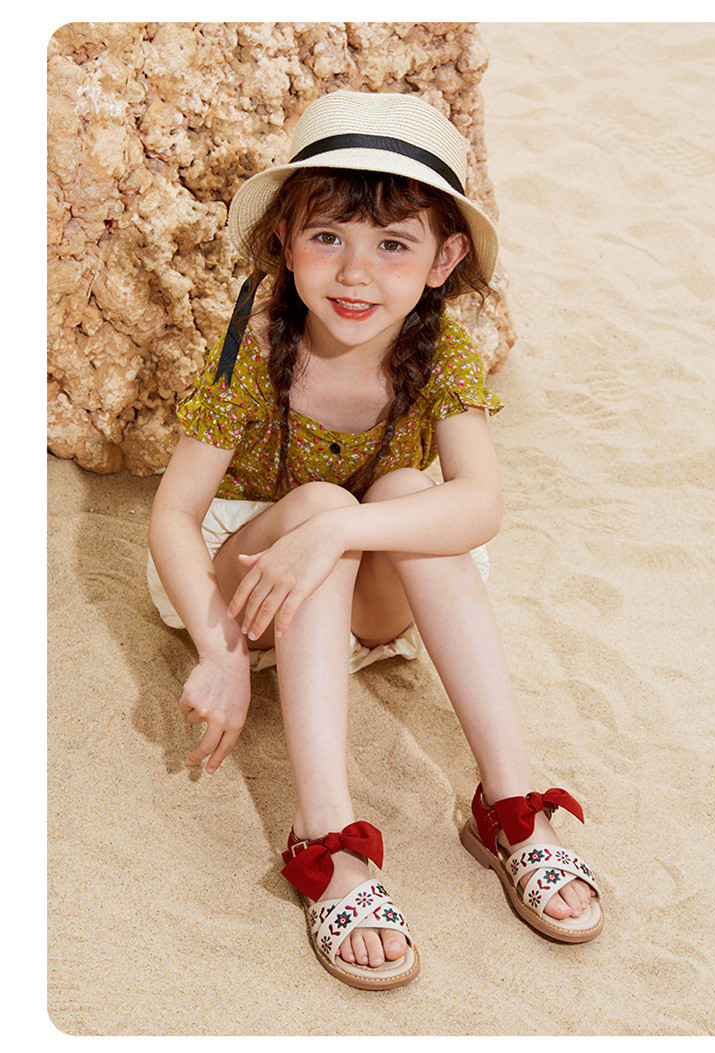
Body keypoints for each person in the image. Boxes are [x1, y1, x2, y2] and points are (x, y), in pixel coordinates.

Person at [147, 90, 603, 991]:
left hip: (362, 587)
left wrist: (342, 528)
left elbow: (480, 504)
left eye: (393, 245)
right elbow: (172, 515)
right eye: (329, 237)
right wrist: (221, 646)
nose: (356, 274)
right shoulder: (255, 349)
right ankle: (325, 834)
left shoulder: (441, 355)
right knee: (321, 497)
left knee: (400, 491)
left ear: (445, 258)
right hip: (252, 583)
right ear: (285, 240)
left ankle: (510, 802)